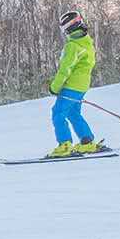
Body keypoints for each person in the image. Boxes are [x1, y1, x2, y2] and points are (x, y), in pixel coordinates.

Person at [47, 11, 104, 158]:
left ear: (68, 28)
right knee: (73, 113)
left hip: (71, 86)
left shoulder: (73, 46)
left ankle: (65, 144)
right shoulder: (87, 43)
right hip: (82, 86)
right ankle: (87, 142)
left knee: (58, 113)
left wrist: (55, 87)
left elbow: (65, 69)